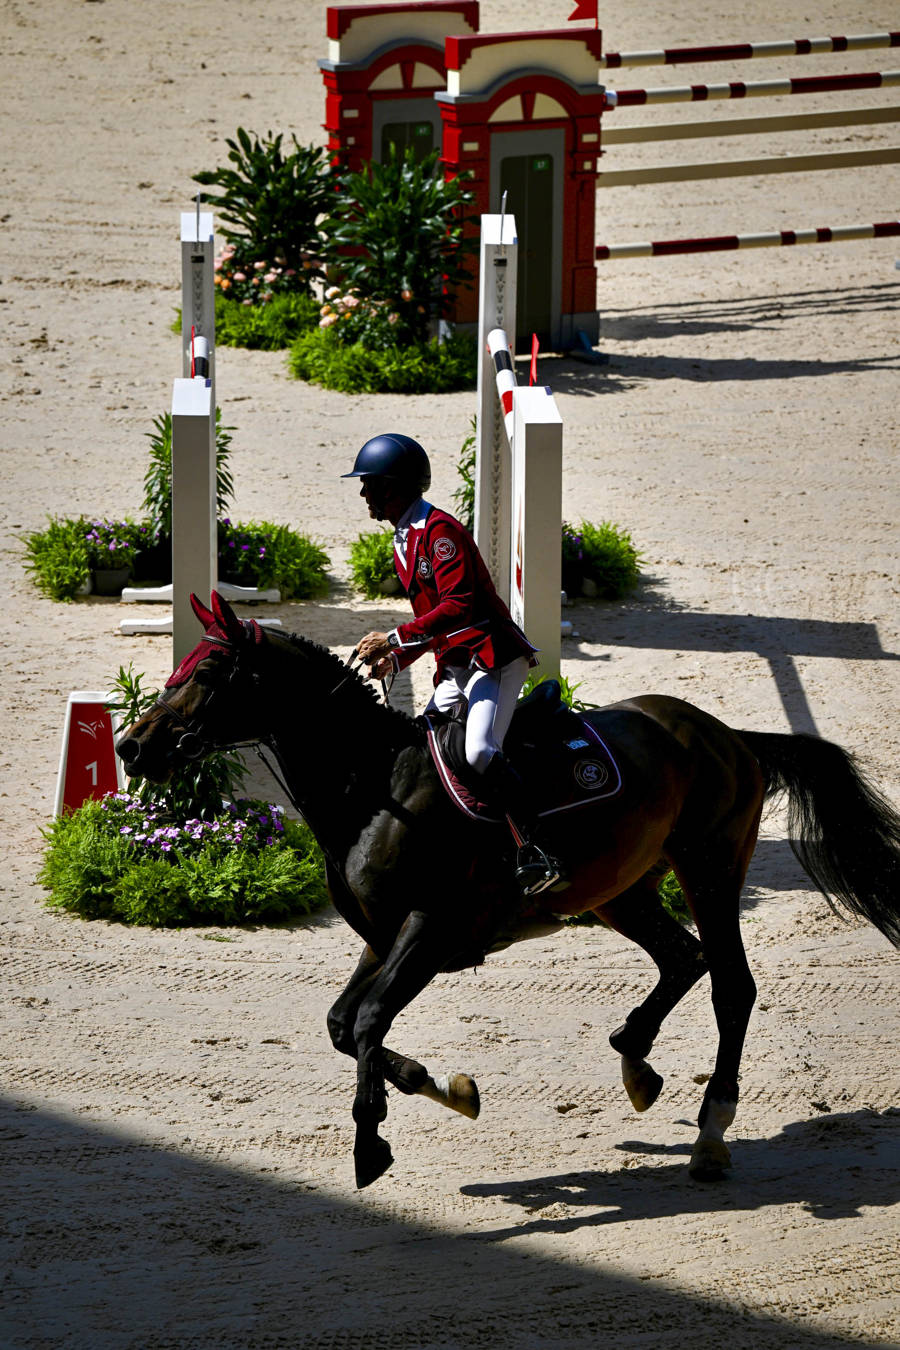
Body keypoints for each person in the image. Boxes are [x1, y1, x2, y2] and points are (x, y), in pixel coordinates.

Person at [344, 431, 567, 897]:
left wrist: (392, 638)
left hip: (493, 658)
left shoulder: (439, 533)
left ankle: (537, 848)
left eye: (370, 484)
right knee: (424, 747)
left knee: (479, 751)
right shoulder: (405, 539)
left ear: (394, 487)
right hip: (457, 663)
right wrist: (396, 659)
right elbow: (433, 625)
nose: (363, 493)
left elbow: (459, 606)